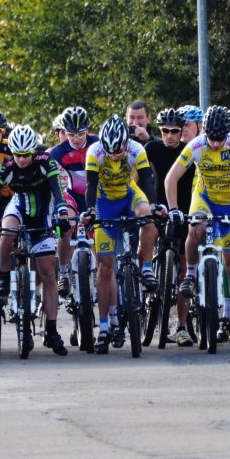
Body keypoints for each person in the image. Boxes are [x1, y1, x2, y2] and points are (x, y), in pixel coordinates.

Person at [163, 105, 230, 350]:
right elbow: (171, 178)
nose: (216, 144)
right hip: (204, 198)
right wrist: (175, 208)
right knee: (196, 227)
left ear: (227, 133)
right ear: (205, 132)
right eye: (212, 139)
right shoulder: (196, 145)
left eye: (220, 139)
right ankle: (190, 275)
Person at [0, 124, 71, 357]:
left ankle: (51, 329)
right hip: (19, 206)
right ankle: (3, 277)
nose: (21, 159)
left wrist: (61, 216)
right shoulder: (8, 164)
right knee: (7, 232)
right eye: (17, 154)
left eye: (25, 155)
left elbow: (58, 193)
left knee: (48, 272)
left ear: (33, 151)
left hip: (42, 212)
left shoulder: (45, 162)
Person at [81, 115, 158, 353]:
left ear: (127, 143)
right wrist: (91, 211)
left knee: (147, 214)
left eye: (119, 151)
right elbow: (91, 185)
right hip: (105, 201)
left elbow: (147, 179)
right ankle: (105, 327)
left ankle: (145, 266)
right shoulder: (94, 151)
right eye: (110, 152)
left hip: (128, 194)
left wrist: (154, 206)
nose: (115, 156)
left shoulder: (136, 149)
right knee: (105, 269)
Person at [144, 108, 194, 345]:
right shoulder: (152, 149)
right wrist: (146, 204)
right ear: (159, 130)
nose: (170, 136)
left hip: (185, 212)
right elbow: (140, 177)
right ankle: (145, 275)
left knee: (185, 270)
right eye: (165, 131)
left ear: (182, 131)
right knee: (147, 237)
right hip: (159, 210)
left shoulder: (190, 150)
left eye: (175, 131)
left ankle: (182, 326)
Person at [46, 106, 95, 297]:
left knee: (101, 229)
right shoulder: (57, 152)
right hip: (72, 194)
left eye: (80, 133)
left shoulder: (96, 143)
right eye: (71, 134)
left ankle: (102, 272)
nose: (76, 138)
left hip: (94, 195)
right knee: (66, 222)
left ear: (87, 129)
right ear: (64, 132)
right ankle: (64, 271)